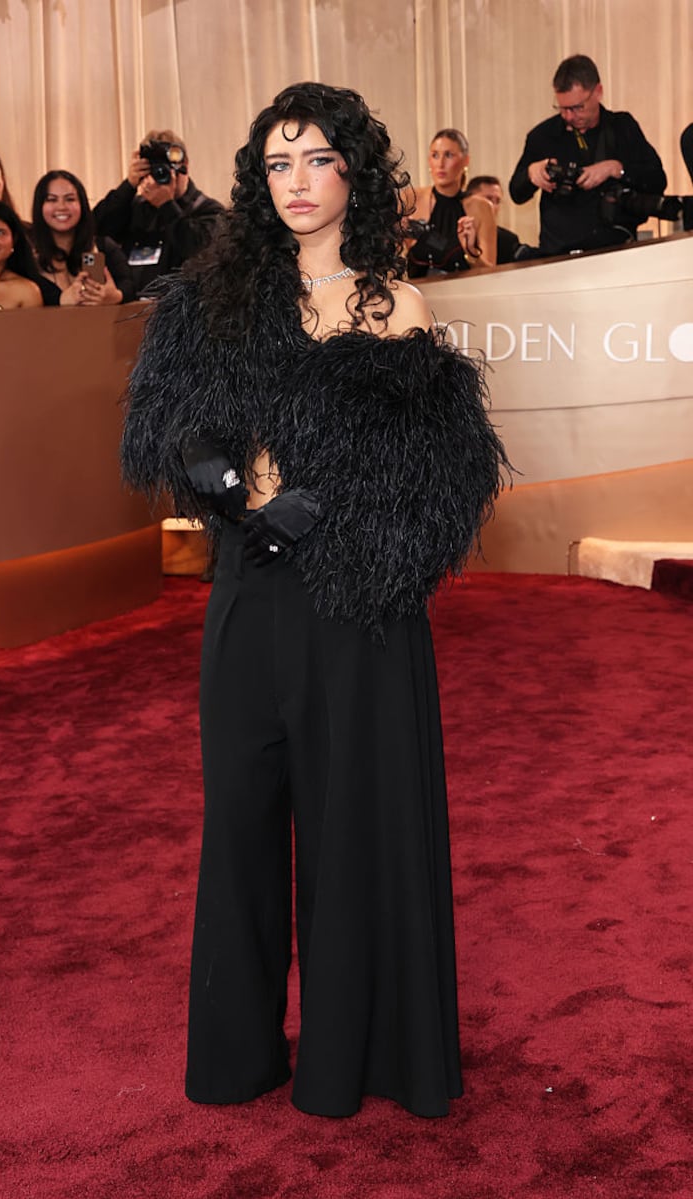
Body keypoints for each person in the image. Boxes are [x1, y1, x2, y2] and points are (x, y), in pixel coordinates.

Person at [121, 81, 509, 1119]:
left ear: (355, 173)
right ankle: (237, 1054)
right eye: (277, 162)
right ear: (257, 179)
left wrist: (324, 505)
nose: (296, 182)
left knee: (354, 826)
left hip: (357, 609)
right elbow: (173, 421)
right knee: (240, 819)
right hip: (247, 594)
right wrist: (204, 465)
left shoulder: (395, 304)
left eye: (318, 159)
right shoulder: (213, 299)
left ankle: (357, 1056)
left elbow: (437, 479)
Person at [509, 54, 667, 256]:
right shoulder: (543, 136)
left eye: (577, 108)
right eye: (562, 108)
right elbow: (516, 193)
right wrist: (531, 173)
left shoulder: (622, 127)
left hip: (616, 250)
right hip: (558, 255)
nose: (568, 116)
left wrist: (616, 168)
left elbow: (657, 181)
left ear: (598, 92)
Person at [93, 129, 223, 294]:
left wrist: (167, 206)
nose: (160, 176)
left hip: (182, 312)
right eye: (154, 170)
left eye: (166, 169)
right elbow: (95, 230)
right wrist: (128, 186)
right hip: (131, 310)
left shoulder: (208, 210)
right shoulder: (134, 208)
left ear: (185, 166)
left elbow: (202, 253)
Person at [31, 170, 134, 305]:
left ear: (82, 204)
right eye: (52, 199)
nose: (61, 207)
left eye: (70, 199)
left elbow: (130, 285)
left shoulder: (103, 246)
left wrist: (116, 296)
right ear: (39, 206)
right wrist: (61, 300)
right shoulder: (28, 254)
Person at [404, 128, 497, 276]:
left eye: (448, 155)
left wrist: (471, 252)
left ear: (466, 160)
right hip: (420, 294)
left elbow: (490, 272)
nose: (440, 163)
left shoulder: (481, 208)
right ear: (429, 160)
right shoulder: (411, 199)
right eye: (435, 155)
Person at [465, 174, 525, 264]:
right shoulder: (455, 232)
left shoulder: (508, 240)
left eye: (497, 201)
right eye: (488, 199)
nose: (493, 206)